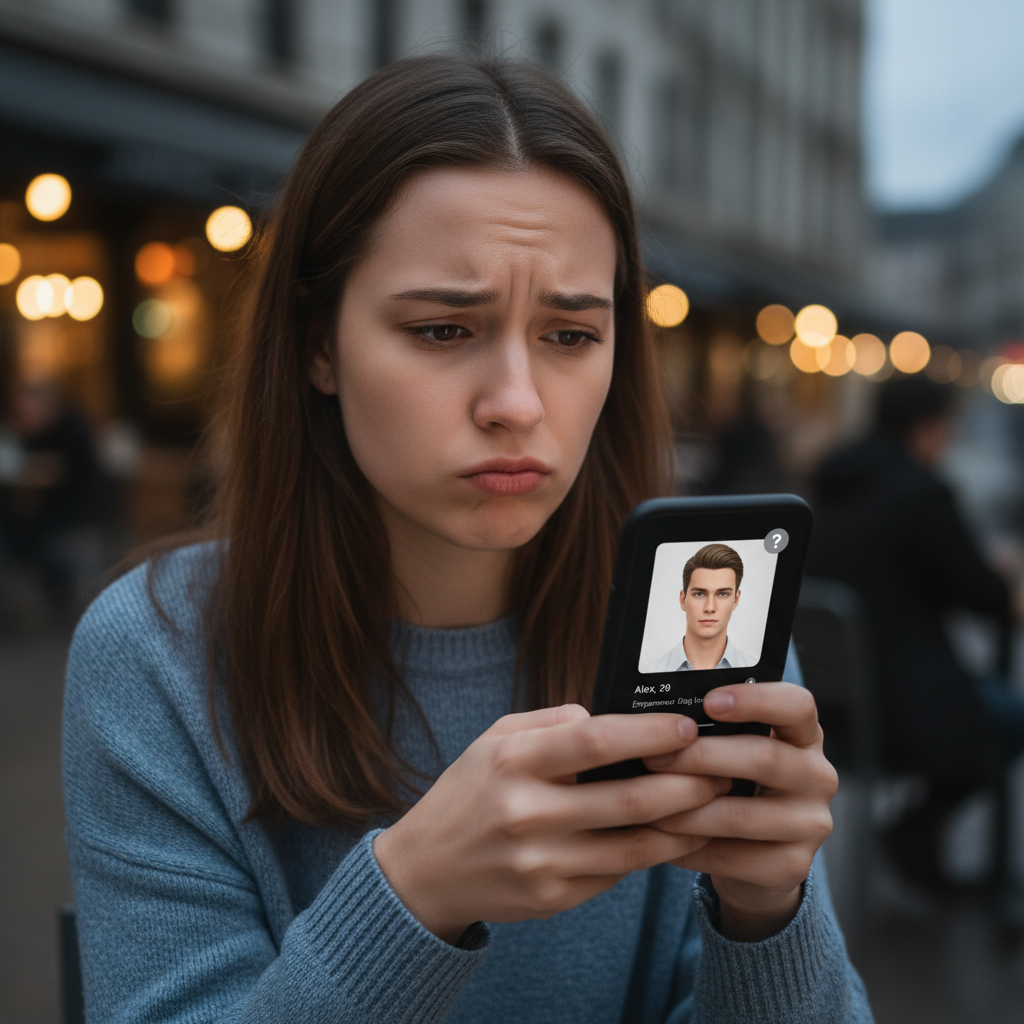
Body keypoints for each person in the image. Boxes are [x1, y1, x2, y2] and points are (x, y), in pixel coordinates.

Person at [63, 55, 871, 1023]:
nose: (517, 404)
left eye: (571, 336)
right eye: (444, 330)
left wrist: (765, 912)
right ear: (318, 343)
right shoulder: (158, 658)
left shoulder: (703, 627)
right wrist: (413, 896)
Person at [808, 375, 1024, 889]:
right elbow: (983, 593)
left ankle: (916, 840)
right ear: (926, 430)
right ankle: (916, 832)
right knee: (1011, 718)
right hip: (904, 711)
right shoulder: (918, 495)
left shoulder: (832, 486)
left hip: (829, 711)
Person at [642, 543, 757, 671]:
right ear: (682, 599)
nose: (709, 607)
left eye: (723, 594)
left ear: (736, 600)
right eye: (699, 594)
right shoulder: (649, 673)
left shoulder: (760, 672)